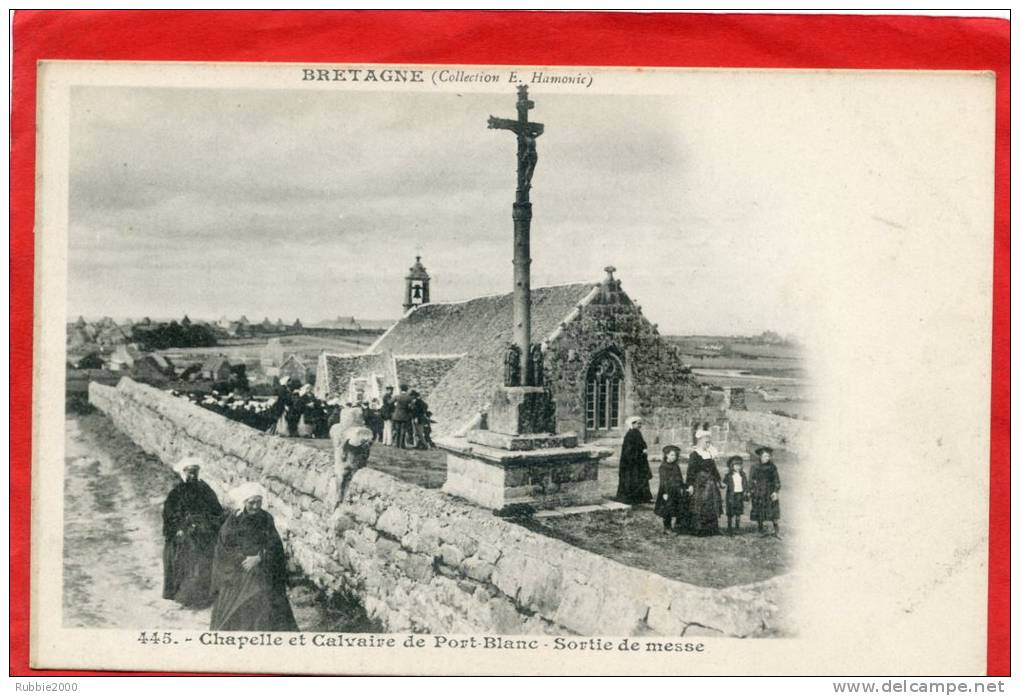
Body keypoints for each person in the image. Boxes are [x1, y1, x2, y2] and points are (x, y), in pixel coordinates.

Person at [209, 482, 298, 631]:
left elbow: (274, 545)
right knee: (245, 596)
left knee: (263, 593)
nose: (256, 506)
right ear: (244, 502)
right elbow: (224, 548)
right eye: (252, 502)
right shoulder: (234, 521)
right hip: (238, 569)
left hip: (263, 566)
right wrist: (242, 560)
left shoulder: (266, 518)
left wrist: (259, 557)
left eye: (259, 502)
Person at [162, 456, 223, 607]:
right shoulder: (176, 492)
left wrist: (205, 522)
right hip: (183, 533)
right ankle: (186, 596)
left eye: (195, 472)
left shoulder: (205, 490)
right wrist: (179, 529)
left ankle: (204, 596)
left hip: (204, 531)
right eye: (189, 472)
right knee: (182, 556)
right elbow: (169, 514)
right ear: (183, 473)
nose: (193, 475)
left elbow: (217, 511)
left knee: (205, 556)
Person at [687, 430, 722, 536]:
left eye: (709, 442)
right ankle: (700, 529)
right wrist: (690, 485)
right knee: (700, 506)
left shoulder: (709, 454)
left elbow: (714, 469)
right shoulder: (695, 454)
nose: (708, 444)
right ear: (700, 441)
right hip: (700, 484)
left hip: (710, 483)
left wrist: (719, 481)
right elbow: (690, 471)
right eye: (706, 442)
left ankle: (712, 529)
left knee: (712, 505)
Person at [616, 416, 653, 504]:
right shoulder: (631, 434)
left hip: (638, 461)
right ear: (632, 424)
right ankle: (632, 498)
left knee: (640, 478)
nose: (640, 425)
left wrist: (643, 450)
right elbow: (629, 450)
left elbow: (642, 444)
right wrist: (640, 453)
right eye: (638, 423)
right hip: (632, 463)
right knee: (633, 478)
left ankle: (642, 497)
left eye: (640, 423)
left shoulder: (637, 433)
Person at [653, 445, 687, 533]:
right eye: (672, 455)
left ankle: (678, 525)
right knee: (667, 509)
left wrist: (683, 487)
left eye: (675, 455)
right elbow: (664, 481)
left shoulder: (676, 466)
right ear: (667, 455)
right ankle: (667, 527)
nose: (674, 457)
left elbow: (680, 478)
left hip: (677, 490)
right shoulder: (663, 467)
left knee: (679, 507)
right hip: (667, 491)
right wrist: (665, 493)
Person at [749, 446, 781, 537]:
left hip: (770, 491)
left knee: (773, 511)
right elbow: (751, 480)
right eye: (765, 456)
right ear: (760, 457)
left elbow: (776, 480)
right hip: (759, 491)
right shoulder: (755, 467)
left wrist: (775, 491)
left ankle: (776, 530)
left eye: (768, 456)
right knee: (759, 510)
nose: (767, 458)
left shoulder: (772, 467)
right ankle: (760, 529)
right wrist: (751, 490)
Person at [723, 455, 749, 535]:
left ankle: (737, 527)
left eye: (739, 465)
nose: (738, 467)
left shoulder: (743, 475)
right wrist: (721, 484)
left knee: (738, 511)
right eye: (736, 465)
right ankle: (729, 527)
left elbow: (745, 484)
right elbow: (724, 484)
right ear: (732, 466)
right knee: (730, 512)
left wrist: (746, 491)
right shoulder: (729, 475)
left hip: (739, 495)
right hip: (731, 495)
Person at [391, 384, 412, 449]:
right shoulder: (409, 397)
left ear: (400, 389)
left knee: (398, 430)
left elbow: (390, 402)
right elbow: (411, 407)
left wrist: (396, 407)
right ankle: (402, 445)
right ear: (407, 389)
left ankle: (397, 444)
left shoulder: (397, 396)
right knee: (403, 430)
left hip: (397, 415)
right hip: (405, 415)